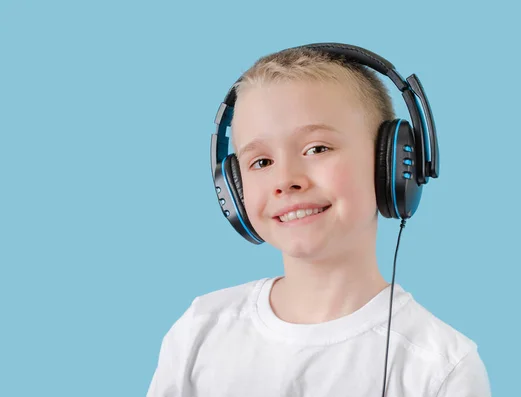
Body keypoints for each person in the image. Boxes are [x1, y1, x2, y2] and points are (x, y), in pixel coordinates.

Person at [146, 43, 492, 396]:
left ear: (392, 163)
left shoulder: (439, 368)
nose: (286, 180)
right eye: (261, 162)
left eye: (317, 149)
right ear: (233, 187)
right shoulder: (199, 332)